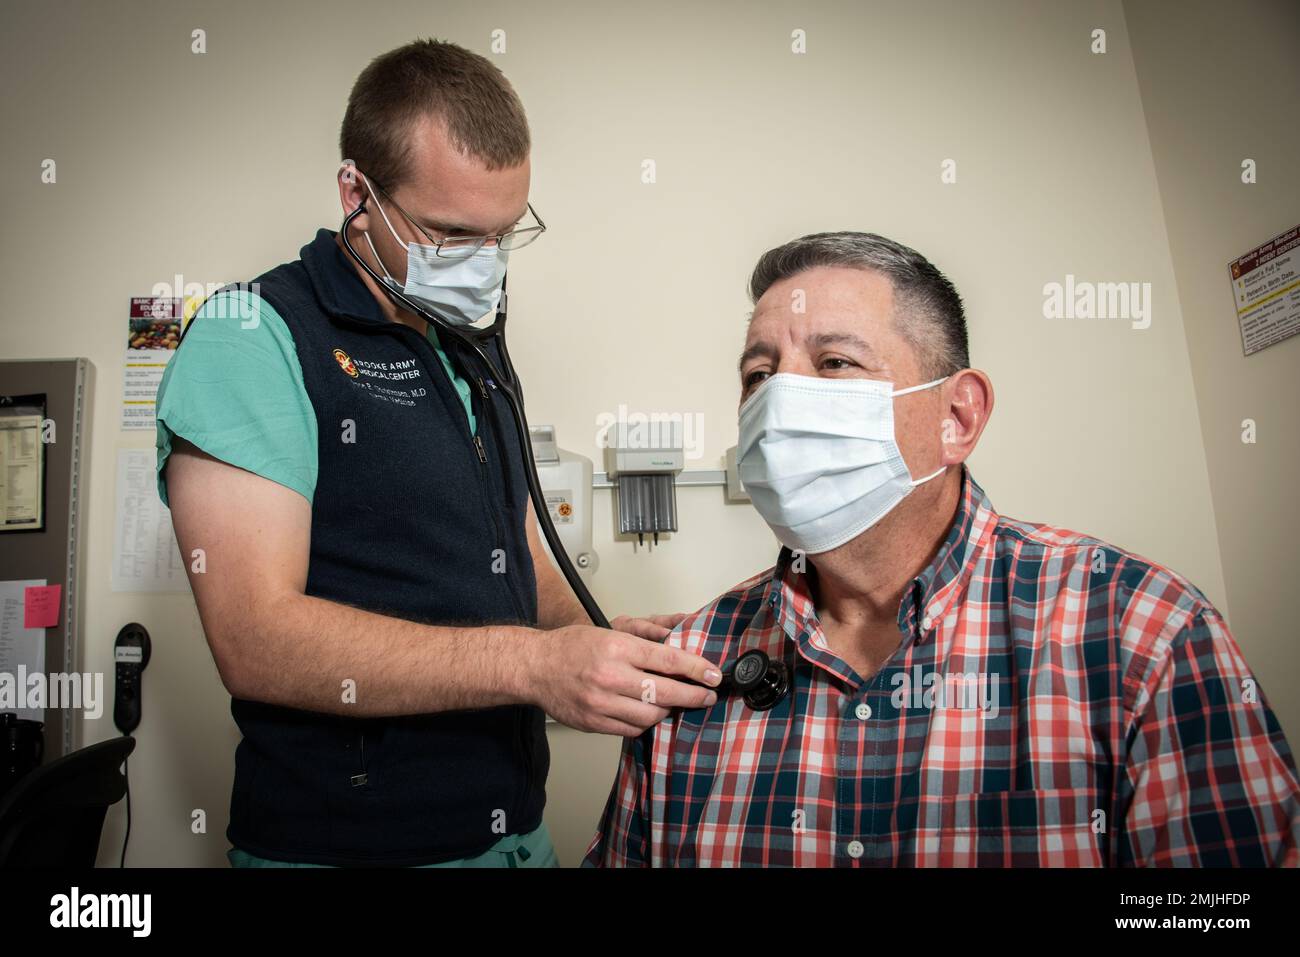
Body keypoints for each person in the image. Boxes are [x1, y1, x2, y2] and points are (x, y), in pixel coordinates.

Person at [156, 38, 720, 869]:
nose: (484, 265)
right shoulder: (256, 338)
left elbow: (515, 552)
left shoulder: (467, 342)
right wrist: (535, 664)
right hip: (350, 850)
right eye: (452, 233)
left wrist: (598, 634)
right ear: (357, 192)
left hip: (512, 836)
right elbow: (255, 636)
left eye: (502, 234)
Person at [585, 231, 1299, 867]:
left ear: (958, 417)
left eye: (834, 362)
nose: (778, 403)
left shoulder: (1140, 632)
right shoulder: (693, 661)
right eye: (758, 375)